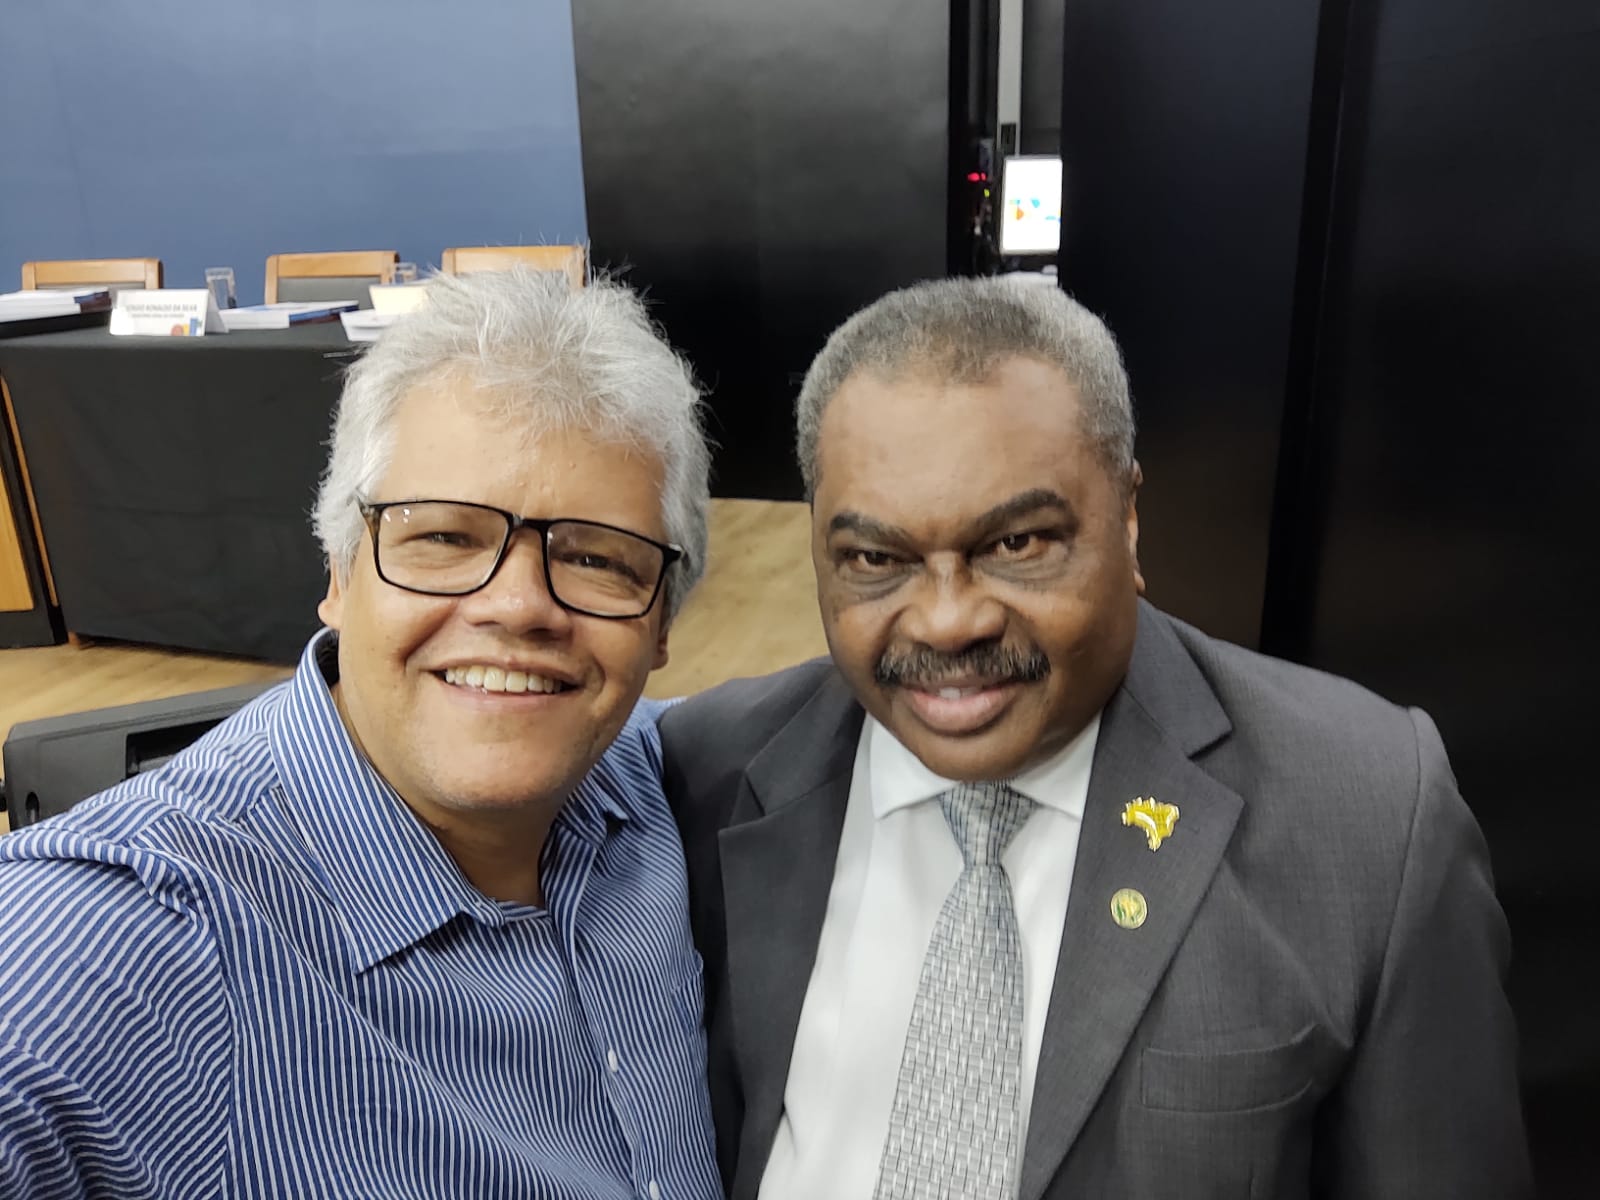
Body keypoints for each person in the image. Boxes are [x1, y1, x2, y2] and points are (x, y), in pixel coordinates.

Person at [660, 276, 1531, 1200]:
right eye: (877, 559)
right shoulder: (707, 770)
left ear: (1129, 516)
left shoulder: (1371, 817)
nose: (948, 621)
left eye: (1017, 544)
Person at [0, 269, 722, 1200]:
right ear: (339, 573)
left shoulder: (652, 774)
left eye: (595, 557)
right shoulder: (143, 932)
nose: (517, 606)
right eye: (444, 538)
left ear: (660, 626)